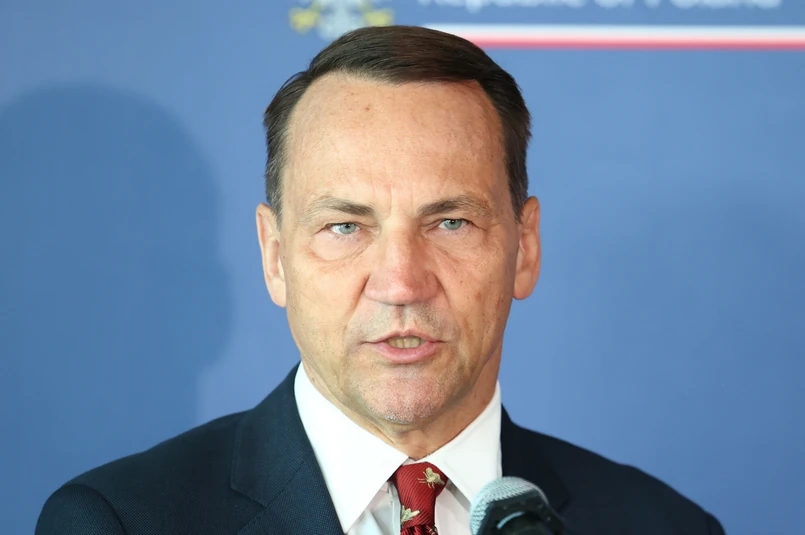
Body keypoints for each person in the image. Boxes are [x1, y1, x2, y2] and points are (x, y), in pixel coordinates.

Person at [36, 25, 725, 535]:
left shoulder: (663, 526)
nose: (400, 282)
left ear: (524, 247)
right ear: (275, 257)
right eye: (345, 226)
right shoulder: (120, 522)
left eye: (450, 222)